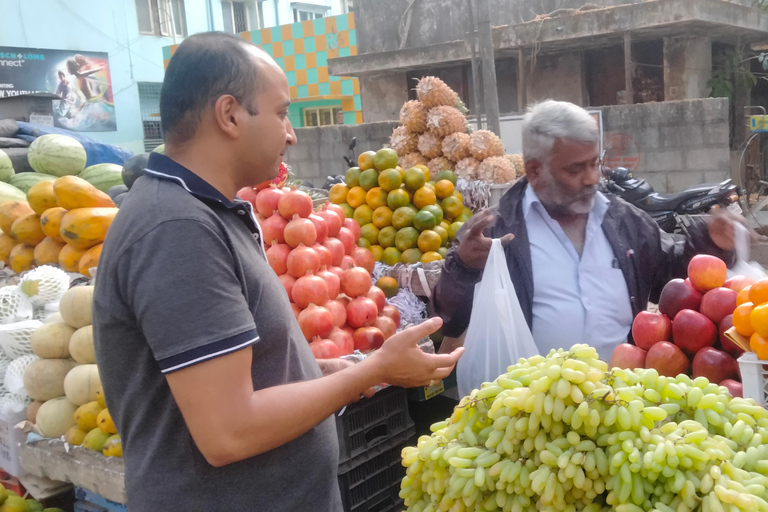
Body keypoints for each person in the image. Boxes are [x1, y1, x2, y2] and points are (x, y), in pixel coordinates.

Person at [92, 32, 463, 512]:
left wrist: (329, 369)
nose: (291, 134)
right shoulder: (176, 228)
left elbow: (241, 376)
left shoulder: (203, 212)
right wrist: (373, 369)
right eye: (282, 112)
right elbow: (228, 431)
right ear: (229, 115)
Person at [433, 99, 739, 362]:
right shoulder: (494, 232)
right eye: (576, 169)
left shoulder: (625, 220)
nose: (592, 178)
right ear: (535, 171)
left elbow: (672, 277)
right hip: (533, 412)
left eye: (596, 164)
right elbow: (448, 320)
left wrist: (709, 244)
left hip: (621, 401)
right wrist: (464, 268)